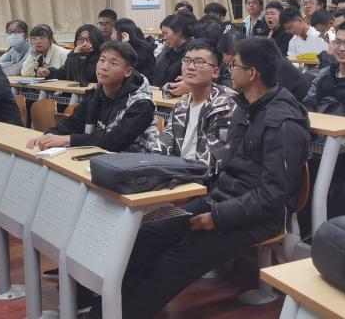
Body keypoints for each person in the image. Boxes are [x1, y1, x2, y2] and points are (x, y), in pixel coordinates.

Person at [96, 37, 309, 319]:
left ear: (252, 74)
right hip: (223, 201)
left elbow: (272, 196)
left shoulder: (281, 122)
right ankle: (103, 308)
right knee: (145, 237)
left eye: (234, 66)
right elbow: (231, 170)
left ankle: (121, 313)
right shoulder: (247, 105)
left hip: (256, 217)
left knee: (174, 261)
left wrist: (216, 217)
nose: (230, 71)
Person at [27, 41, 160, 153]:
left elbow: (114, 141)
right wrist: (47, 137)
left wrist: (68, 139)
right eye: (102, 60)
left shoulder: (142, 103)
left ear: (128, 71)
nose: (104, 67)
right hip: (99, 158)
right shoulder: (96, 93)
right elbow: (73, 123)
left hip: (135, 164)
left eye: (113, 63)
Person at [156, 39, 237, 174]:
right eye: (187, 61)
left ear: (215, 72)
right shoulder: (181, 106)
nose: (191, 67)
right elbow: (164, 142)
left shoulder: (227, 104)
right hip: (177, 174)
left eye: (200, 62)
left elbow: (216, 158)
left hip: (205, 180)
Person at [219, 31, 310, 102]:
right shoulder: (255, 58)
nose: (230, 70)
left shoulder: (267, 62)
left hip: (299, 101)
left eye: (232, 64)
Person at [152, 12, 196, 88]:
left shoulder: (191, 51)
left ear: (178, 31)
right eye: (163, 34)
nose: (164, 38)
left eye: (166, 33)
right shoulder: (168, 50)